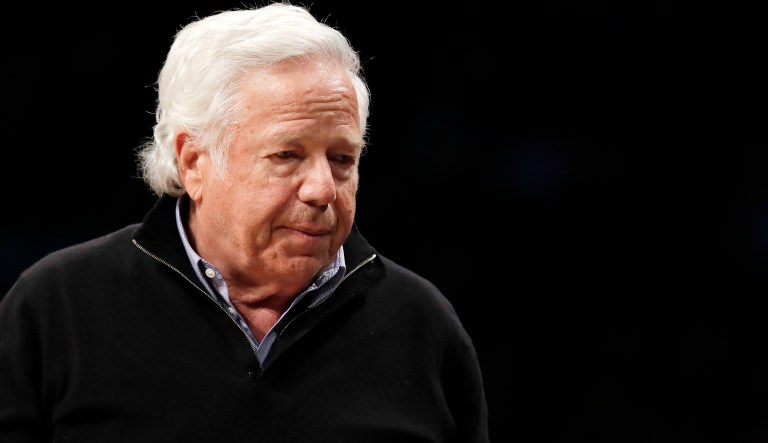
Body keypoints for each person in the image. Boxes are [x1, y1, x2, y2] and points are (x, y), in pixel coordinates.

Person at [0, 2, 489, 442]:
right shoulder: (56, 307)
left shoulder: (422, 324)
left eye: (342, 158)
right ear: (193, 161)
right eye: (286, 154)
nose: (322, 189)